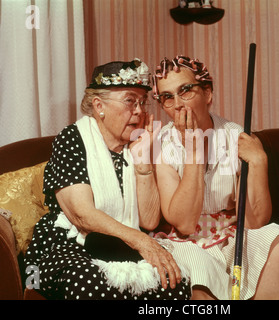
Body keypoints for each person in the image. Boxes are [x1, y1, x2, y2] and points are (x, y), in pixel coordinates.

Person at [24, 59, 190, 300]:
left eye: (142, 102)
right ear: (99, 105)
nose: (139, 111)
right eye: (130, 101)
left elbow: (150, 221)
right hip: (67, 246)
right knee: (90, 283)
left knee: (176, 283)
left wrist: (143, 164)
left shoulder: (137, 145)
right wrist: (141, 241)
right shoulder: (72, 139)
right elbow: (82, 215)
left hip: (120, 249)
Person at [151, 55, 279, 300]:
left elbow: (255, 222)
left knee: (278, 241)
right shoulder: (161, 145)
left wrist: (260, 161)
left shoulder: (237, 137)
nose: (177, 104)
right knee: (197, 266)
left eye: (185, 90)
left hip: (231, 237)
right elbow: (184, 223)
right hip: (186, 243)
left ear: (207, 93)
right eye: (167, 97)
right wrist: (194, 151)